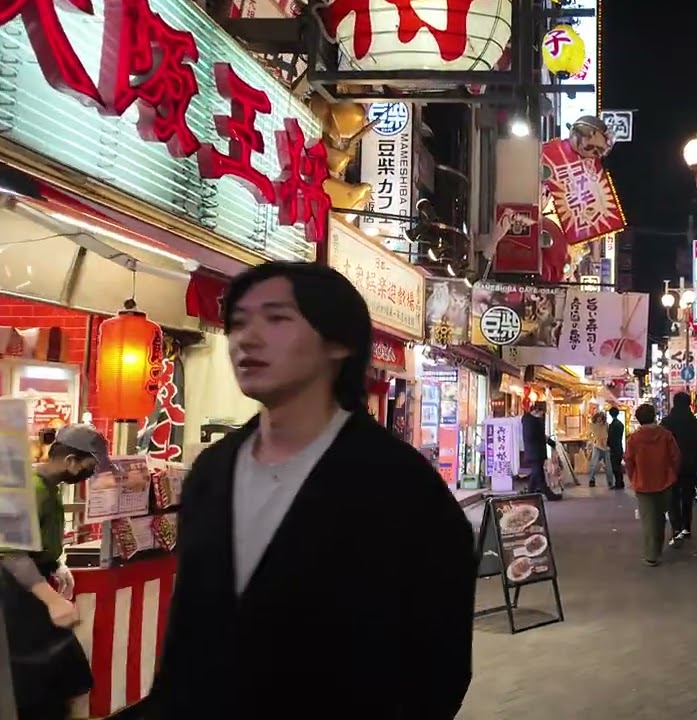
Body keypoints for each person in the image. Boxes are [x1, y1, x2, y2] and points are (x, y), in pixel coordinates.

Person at [147, 262, 476, 719]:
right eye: (239, 322)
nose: (248, 338)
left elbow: (438, 664)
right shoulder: (212, 472)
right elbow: (188, 641)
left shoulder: (402, 487)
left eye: (277, 318)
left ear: (339, 342)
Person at [1, 425, 104, 720]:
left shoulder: (47, 486)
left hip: (28, 593)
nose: (91, 473)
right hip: (14, 598)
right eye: (90, 466)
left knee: (71, 680)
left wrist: (55, 563)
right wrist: (52, 600)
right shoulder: (31, 489)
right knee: (41, 690)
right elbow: (11, 551)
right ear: (71, 461)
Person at [624, 403, 680, 566]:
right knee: (660, 517)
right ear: (654, 416)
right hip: (665, 481)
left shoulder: (633, 439)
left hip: (643, 483)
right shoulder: (666, 435)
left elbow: (628, 461)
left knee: (648, 519)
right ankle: (658, 549)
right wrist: (672, 474)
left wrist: (633, 478)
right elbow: (675, 456)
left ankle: (651, 555)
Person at [661, 392, 697, 546]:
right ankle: (687, 527)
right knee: (687, 496)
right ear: (689, 403)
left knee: (673, 497)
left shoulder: (666, 423)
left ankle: (676, 527)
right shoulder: (696, 424)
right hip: (691, 465)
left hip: (671, 465)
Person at [522, 401, 562, 501]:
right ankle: (549, 495)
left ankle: (529, 494)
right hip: (534, 452)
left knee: (536, 474)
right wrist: (546, 440)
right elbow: (533, 436)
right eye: (542, 412)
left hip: (536, 451)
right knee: (539, 476)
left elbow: (540, 435)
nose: (542, 415)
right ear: (537, 410)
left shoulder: (533, 420)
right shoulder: (530, 421)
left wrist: (548, 440)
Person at [586, 411, 618, 489]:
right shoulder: (592, 425)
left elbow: (608, 434)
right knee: (593, 464)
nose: (599, 419)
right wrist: (593, 441)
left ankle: (610, 481)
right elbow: (589, 435)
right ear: (596, 418)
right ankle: (591, 479)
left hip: (605, 446)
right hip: (597, 446)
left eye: (601, 417)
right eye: (598, 417)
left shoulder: (606, 425)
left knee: (608, 466)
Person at [607, 406, 626, 488]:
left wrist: (608, 444)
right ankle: (620, 482)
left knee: (615, 466)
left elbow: (611, 437)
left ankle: (618, 483)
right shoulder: (620, 424)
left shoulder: (612, 425)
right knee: (618, 465)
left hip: (614, 448)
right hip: (619, 446)